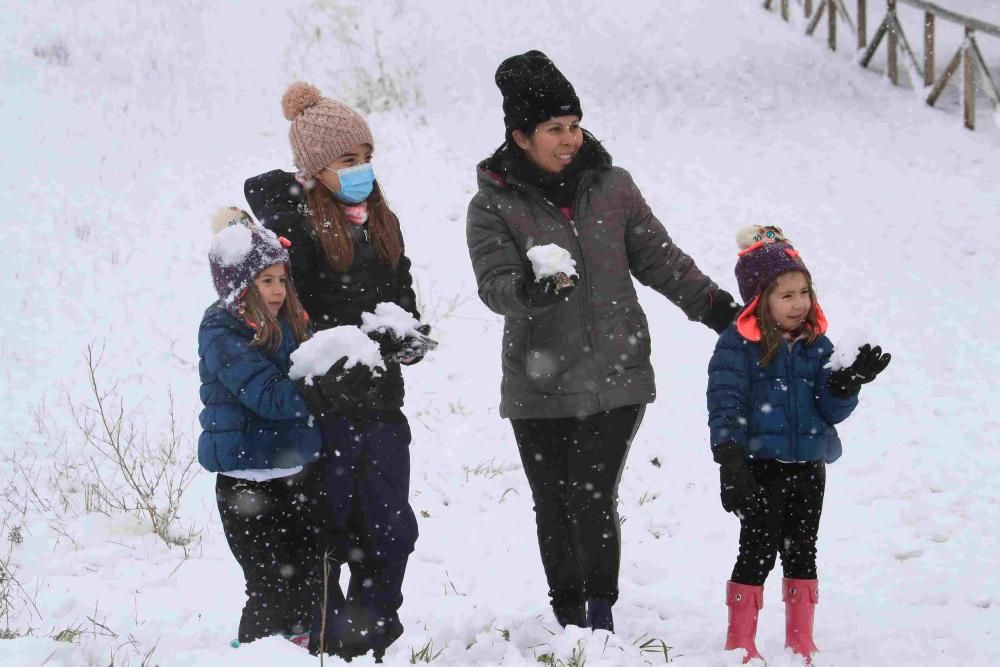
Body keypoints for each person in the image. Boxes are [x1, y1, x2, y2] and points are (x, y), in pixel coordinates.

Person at [465, 50, 740, 633]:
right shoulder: (493, 204)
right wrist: (530, 290)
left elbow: (661, 261)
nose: (568, 140)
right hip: (537, 381)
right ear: (520, 135)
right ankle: (569, 617)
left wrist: (721, 313)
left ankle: (599, 617)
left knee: (589, 493)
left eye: (574, 126)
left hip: (617, 373)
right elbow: (493, 286)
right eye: (553, 129)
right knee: (553, 501)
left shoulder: (612, 188)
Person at [244, 82, 421, 661]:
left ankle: (372, 631)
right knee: (327, 529)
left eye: (366, 157)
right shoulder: (293, 232)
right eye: (348, 160)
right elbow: (287, 315)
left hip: (381, 403)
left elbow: (404, 296)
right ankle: (327, 636)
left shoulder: (382, 222)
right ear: (316, 167)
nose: (361, 170)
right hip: (324, 411)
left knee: (391, 529)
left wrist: (406, 335)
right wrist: (333, 354)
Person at [706, 233, 891, 663]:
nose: (798, 303)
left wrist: (845, 385)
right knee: (756, 549)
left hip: (809, 466)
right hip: (759, 467)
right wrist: (731, 461)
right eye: (785, 295)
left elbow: (830, 410)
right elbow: (724, 404)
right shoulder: (738, 345)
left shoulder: (817, 345)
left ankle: (800, 639)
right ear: (760, 300)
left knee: (802, 549)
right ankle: (740, 641)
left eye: (804, 292)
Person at [198, 206, 321, 648]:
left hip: (294, 475)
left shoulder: (293, 323)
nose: (276, 290)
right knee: (268, 588)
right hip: (245, 484)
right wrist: (326, 390)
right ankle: (256, 655)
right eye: (265, 281)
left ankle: (305, 650)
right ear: (238, 285)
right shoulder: (221, 329)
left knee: (308, 582)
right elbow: (268, 394)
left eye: (281, 280)